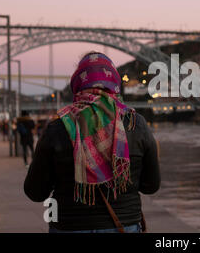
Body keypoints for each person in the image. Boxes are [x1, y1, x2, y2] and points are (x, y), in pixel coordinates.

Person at [24, 52, 160, 233]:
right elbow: (151, 186)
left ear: (78, 82)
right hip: (125, 225)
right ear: (114, 82)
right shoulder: (136, 124)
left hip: (69, 227)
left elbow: (35, 191)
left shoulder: (57, 128)